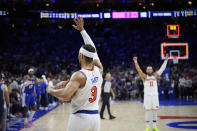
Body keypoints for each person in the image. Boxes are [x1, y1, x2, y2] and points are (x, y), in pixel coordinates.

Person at [47, 17, 103, 131]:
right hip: (95, 118)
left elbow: (66, 95)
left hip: (80, 117)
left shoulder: (78, 75)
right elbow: (93, 50)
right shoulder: (99, 70)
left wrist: (51, 90)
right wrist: (82, 31)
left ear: (81, 56)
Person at [133, 55, 168, 131]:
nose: (149, 70)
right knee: (148, 112)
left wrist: (165, 60)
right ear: (146, 71)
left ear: (152, 70)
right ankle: (147, 127)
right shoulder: (144, 77)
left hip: (155, 97)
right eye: (148, 69)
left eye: (150, 69)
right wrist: (135, 62)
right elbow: (139, 70)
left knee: (155, 112)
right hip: (147, 97)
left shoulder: (155, 76)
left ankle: (155, 126)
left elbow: (162, 69)